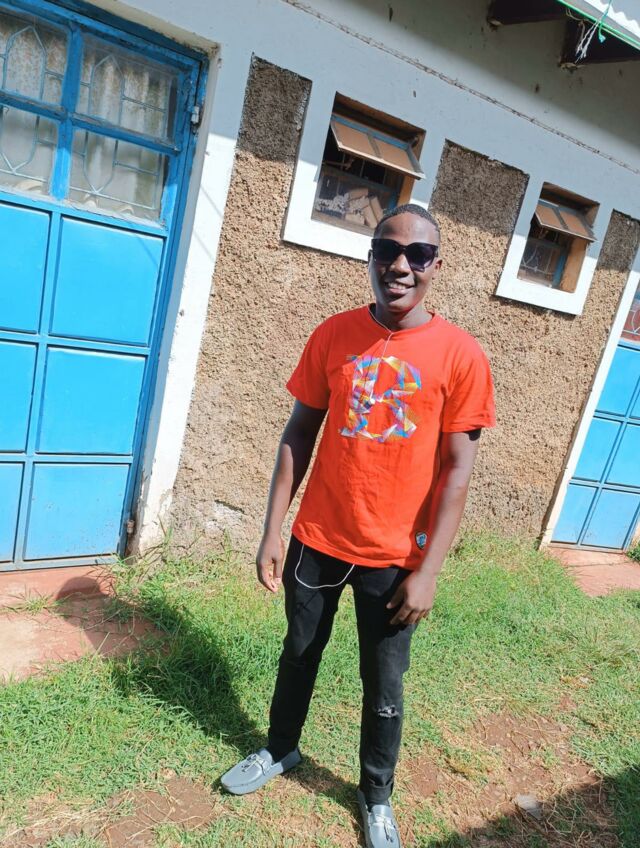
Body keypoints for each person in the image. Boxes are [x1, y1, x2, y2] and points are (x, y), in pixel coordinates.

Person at [221, 203, 496, 848]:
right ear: (370, 257)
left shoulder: (460, 355)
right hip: (317, 539)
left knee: (384, 682)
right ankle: (280, 748)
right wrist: (272, 530)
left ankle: (375, 796)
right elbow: (298, 433)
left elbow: (457, 472)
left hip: (395, 556)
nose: (400, 265)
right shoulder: (333, 335)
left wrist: (428, 572)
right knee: (298, 652)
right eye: (387, 250)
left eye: (417, 255)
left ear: (435, 266)